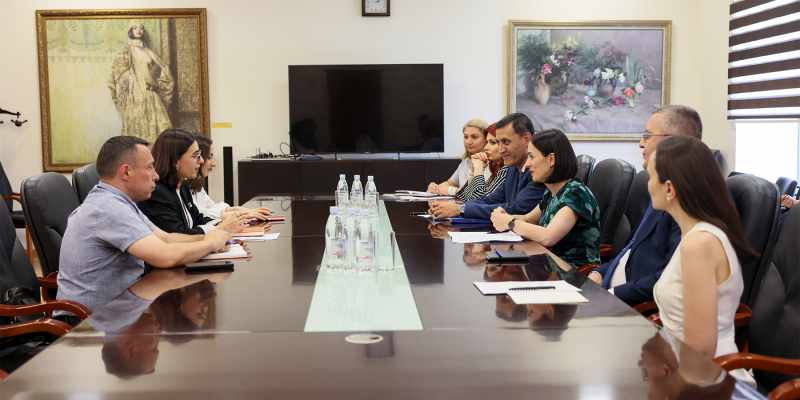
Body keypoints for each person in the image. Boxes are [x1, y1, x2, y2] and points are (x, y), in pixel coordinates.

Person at [56, 136, 232, 321]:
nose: (156, 175)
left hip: (115, 312)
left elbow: (167, 238)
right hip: (87, 324)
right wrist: (211, 243)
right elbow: (166, 255)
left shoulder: (121, 202)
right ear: (126, 172)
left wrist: (209, 238)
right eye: (149, 168)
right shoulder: (109, 208)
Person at [648, 136, 758, 386]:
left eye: (651, 176)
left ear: (669, 188)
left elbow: (700, 352)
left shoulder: (699, 244)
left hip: (708, 381)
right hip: (688, 370)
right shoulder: (699, 234)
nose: (647, 184)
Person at [588, 105, 702, 306]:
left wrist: (610, 295)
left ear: (672, 141)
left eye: (647, 136)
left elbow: (671, 280)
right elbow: (631, 251)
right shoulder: (664, 190)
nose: (641, 144)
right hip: (611, 293)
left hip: (635, 308)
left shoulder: (688, 202)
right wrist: (600, 273)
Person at [490, 129, 600, 267]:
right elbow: (528, 219)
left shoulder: (576, 193)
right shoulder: (551, 191)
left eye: (531, 157)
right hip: (549, 266)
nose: (527, 164)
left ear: (551, 159)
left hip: (572, 273)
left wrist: (510, 222)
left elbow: (548, 237)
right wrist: (504, 217)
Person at [428, 113, 545, 220]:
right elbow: (490, 200)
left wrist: (460, 209)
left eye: (506, 142)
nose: (501, 149)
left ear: (526, 139)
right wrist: (453, 207)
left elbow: (516, 209)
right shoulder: (513, 168)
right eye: (498, 142)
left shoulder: (538, 171)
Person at [139, 128, 247, 235]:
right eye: (196, 155)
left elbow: (198, 219)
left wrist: (226, 224)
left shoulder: (183, 185)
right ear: (175, 160)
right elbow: (179, 234)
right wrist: (220, 228)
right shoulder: (157, 193)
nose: (201, 160)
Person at [108, 19, 174, 143]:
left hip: (152, 97)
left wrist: (157, 83)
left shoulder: (149, 52)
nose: (138, 30)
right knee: (136, 140)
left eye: (141, 28)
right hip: (136, 99)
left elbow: (163, 71)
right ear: (130, 31)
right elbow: (116, 75)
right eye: (135, 28)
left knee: (162, 137)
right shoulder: (125, 52)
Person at [188, 134, 272, 221]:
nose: (214, 164)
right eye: (209, 157)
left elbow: (212, 208)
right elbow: (201, 214)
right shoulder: (184, 188)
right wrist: (243, 214)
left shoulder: (197, 186)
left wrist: (243, 210)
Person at [427, 118, 488, 195]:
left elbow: (479, 194)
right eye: (466, 137)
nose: (468, 142)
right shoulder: (466, 161)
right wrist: (436, 188)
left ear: (486, 139)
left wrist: (450, 190)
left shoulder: (491, 163)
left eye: (474, 137)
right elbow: (449, 183)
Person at [455, 123, 509, 201]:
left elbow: (479, 201)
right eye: (486, 143)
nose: (486, 147)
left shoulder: (507, 168)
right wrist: (472, 170)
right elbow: (466, 197)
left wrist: (478, 167)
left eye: (493, 143)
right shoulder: (497, 169)